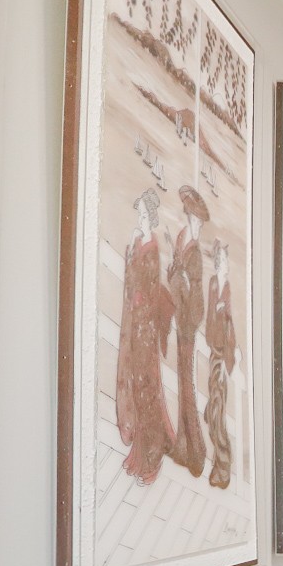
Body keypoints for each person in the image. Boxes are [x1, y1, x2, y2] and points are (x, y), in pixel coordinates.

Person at [114, 190, 175, 484]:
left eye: (141, 215)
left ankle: (151, 458)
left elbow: (147, 291)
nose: (138, 219)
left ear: (149, 217)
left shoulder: (152, 249)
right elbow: (131, 282)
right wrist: (130, 247)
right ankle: (141, 452)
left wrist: (138, 301)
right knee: (138, 389)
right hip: (137, 328)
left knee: (147, 391)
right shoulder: (140, 244)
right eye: (138, 214)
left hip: (146, 332)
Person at [167, 186, 208, 479]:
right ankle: (185, 445)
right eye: (196, 220)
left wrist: (190, 320)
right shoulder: (184, 240)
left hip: (187, 324)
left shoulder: (194, 251)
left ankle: (195, 451)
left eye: (199, 221)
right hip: (181, 318)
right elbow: (177, 273)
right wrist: (177, 280)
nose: (198, 225)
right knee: (183, 384)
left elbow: (196, 294)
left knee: (187, 385)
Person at [202, 248, 236, 490]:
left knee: (218, 413)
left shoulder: (227, 289)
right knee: (215, 411)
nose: (226, 264)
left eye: (226, 260)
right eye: (223, 260)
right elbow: (210, 320)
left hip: (222, 357)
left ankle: (223, 468)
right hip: (215, 353)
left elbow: (229, 328)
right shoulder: (214, 284)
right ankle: (219, 464)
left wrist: (228, 360)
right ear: (217, 263)